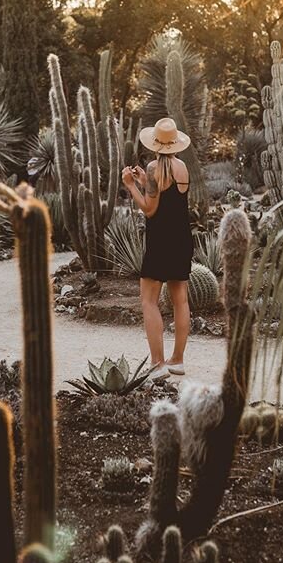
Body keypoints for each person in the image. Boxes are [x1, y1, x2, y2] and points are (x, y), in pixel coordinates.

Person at [121, 117, 193, 378]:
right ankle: (178, 360)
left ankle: (157, 363)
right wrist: (144, 182)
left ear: (155, 144)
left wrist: (131, 185)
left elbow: (151, 210)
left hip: (160, 240)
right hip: (182, 239)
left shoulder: (153, 167)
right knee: (180, 300)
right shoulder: (183, 167)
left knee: (149, 301)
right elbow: (169, 198)